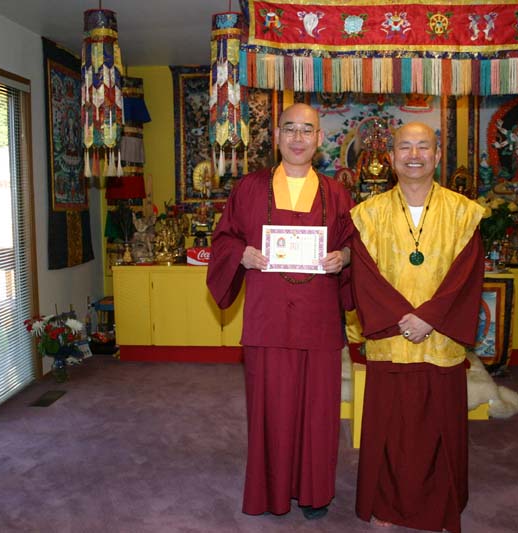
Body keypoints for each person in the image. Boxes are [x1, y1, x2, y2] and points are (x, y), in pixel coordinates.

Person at [206, 103, 355, 520]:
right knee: (270, 408)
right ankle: (270, 492)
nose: (297, 138)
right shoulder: (250, 188)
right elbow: (224, 240)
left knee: (318, 411)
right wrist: (241, 253)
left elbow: (354, 244)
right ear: (276, 136)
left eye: (306, 130)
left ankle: (314, 493)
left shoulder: (336, 192)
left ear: (319, 138)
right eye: (289, 129)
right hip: (268, 317)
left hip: (319, 320)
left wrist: (344, 257)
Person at [349, 122, 485, 532]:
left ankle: (440, 506)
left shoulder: (463, 212)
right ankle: (385, 504)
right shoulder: (368, 214)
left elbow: (467, 274)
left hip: (440, 340)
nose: (414, 155)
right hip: (391, 340)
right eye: (405, 147)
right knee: (389, 428)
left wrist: (429, 317)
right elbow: (364, 275)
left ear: (437, 155)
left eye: (423, 147)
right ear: (391, 158)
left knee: (439, 427)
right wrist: (400, 317)